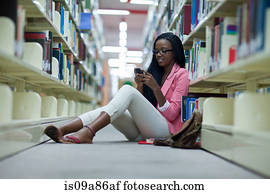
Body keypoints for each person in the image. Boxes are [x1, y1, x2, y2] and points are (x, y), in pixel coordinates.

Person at [44, 32, 189, 144]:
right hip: (142, 131)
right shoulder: (156, 74)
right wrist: (140, 86)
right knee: (109, 110)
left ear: (174, 52)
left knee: (126, 91)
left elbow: (172, 114)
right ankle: (62, 130)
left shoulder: (182, 75)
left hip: (164, 131)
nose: (159, 55)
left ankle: (89, 132)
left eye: (164, 51)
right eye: (156, 51)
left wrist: (156, 89)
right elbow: (142, 107)